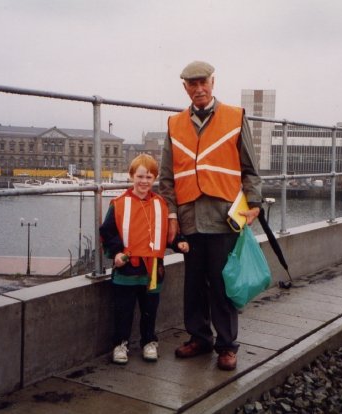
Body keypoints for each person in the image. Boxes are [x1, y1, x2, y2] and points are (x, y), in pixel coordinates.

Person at [159, 60, 263, 371]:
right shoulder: (174, 124)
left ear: (213, 82)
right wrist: (172, 215)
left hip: (224, 218)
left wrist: (254, 203)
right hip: (190, 218)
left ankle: (227, 346)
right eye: (192, 84)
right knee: (193, 284)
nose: (199, 88)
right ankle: (200, 338)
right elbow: (167, 177)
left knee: (222, 284)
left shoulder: (234, 117)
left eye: (203, 82)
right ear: (185, 88)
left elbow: (250, 168)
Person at [100, 154, 189, 365]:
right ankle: (120, 344)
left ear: (155, 179)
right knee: (124, 309)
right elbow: (107, 232)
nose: (144, 181)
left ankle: (149, 341)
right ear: (131, 176)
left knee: (150, 309)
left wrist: (179, 243)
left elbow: (168, 233)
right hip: (127, 268)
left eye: (149, 177)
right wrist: (116, 253)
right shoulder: (119, 203)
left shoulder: (161, 204)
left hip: (153, 269)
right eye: (140, 176)